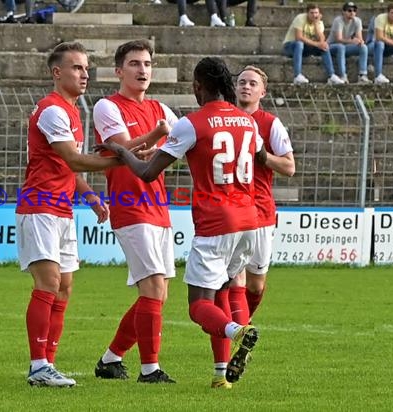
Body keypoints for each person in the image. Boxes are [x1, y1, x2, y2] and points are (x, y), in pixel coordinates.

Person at [96, 56, 262, 388]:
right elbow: (254, 156)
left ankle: (237, 329)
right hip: (250, 221)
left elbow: (147, 172)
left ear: (198, 86)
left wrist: (119, 151)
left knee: (200, 304)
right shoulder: (248, 121)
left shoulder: (193, 122)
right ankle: (220, 376)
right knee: (228, 291)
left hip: (216, 222)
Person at [16, 41, 121, 387]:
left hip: (61, 208)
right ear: (57, 72)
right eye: (77, 67)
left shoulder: (72, 111)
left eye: (86, 68)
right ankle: (37, 366)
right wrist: (120, 160)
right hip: (41, 207)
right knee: (48, 283)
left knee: (64, 288)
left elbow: (69, 166)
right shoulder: (52, 110)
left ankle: (48, 363)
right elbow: (75, 159)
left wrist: (90, 195)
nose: (84, 73)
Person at [92, 39, 178, 384]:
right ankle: (150, 370)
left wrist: (152, 145)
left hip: (158, 205)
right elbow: (123, 149)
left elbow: (176, 148)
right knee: (153, 288)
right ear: (119, 70)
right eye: (134, 64)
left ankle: (110, 360)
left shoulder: (162, 107)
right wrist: (156, 135)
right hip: (130, 204)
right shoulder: (107, 106)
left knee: (158, 292)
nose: (143, 70)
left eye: (146, 64)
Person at [227, 65, 295, 353]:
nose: (246, 86)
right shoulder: (225, 121)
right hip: (230, 211)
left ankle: (246, 320)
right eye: (242, 82)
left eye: (252, 83)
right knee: (234, 278)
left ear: (262, 92)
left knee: (255, 286)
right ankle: (238, 330)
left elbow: (290, 167)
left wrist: (263, 155)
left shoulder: (270, 124)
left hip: (261, 212)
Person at [282, 3, 345, 85]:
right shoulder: (300, 18)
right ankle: (297, 76)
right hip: (290, 47)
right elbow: (299, 37)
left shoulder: (319, 23)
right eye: (312, 13)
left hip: (306, 48)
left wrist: (316, 24)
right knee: (299, 44)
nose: (314, 15)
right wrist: (317, 44)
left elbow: (322, 40)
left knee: (324, 47)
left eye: (316, 13)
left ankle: (331, 75)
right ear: (307, 13)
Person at [327, 2, 370, 84]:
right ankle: (343, 75)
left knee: (363, 47)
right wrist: (352, 41)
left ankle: (362, 75)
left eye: (354, 10)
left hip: (346, 47)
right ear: (343, 12)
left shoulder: (357, 21)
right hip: (332, 46)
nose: (352, 13)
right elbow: (338, 39)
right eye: (349, 10)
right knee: (341, 47)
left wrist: (360, 41)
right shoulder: (338, 20)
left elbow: (359, 38)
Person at [367, 3, 393, 85]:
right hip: (374, 46)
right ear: (388, 13)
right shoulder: (380, 18)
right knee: (380, 44)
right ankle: (378, 75)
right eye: (392, 13)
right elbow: (379, 37)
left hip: (389, 47)